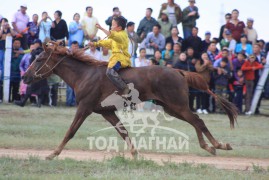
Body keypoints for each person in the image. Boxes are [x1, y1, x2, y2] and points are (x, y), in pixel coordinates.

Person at [88, 16, 132, 97]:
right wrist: (94, 44)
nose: (111, 27)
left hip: (121, 59)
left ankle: (125, 88)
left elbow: (112, 35)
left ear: (119, 28)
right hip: (115, 58)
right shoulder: (115, 37)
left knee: (110, 72)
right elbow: (107, 42)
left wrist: (101, 28)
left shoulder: (122, 35)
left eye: (113, 25)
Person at [15, 39, 49, 107]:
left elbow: (33, 62)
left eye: (35, 43)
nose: (34, 45)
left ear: (38, 44)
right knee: (39, 89)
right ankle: (37, 103)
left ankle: (23, 103)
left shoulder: (40, 51)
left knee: (31, 88)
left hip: (37, 73)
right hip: (40, 74)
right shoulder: (41, 51)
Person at [66, 41, 79, 107]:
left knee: (77, 90)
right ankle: (68, 103)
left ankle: (75, 103)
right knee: (69, 90)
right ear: (71, 47)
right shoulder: (67, 54)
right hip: (70, 75)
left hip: (79, 75)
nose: (75, 48)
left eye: (76, 46)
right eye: (74, 46)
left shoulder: (80, 54)